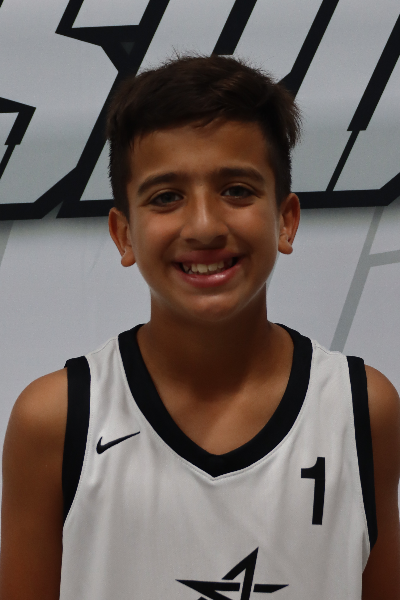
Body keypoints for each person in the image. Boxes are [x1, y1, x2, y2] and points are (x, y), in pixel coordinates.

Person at [0, 54, 399, 600]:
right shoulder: (55, 421)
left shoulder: (362, 409)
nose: (205, 226)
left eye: (237, 190)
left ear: (286, 220)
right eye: (166, 197)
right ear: (123, 234)